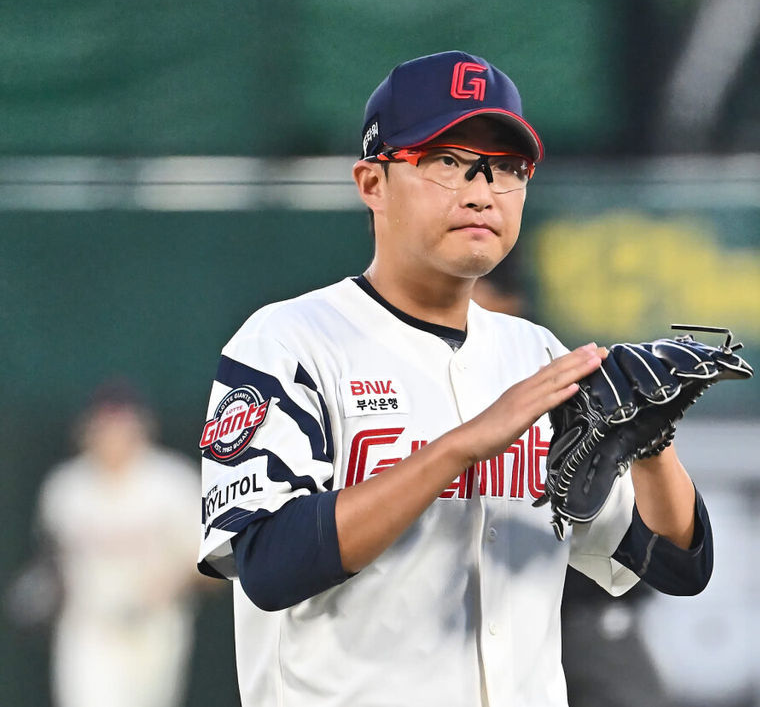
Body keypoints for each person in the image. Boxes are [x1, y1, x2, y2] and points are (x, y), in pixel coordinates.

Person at [198, 50, 713, 707]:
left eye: (505, 168)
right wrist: (460, 445)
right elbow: (267, 563)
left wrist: (653, 447)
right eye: (446, 161)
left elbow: (672, 561)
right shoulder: (289, 342)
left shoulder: (538, 355)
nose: (481, 191)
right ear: (372, 182)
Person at [34, 380, 201, 707]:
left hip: (154, 629)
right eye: (105, 425)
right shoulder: (65, 488)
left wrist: (176, 579)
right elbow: (50, 564)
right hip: (89, 630)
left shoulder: (172, 482)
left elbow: (213, 566)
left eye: (122, 423)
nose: (113, 434)